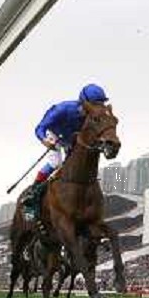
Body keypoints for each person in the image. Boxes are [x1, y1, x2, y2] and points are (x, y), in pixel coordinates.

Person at [21, 84, 109, 219]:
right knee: (55, 162)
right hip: (54, 134)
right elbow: (40, 127)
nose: (98, 108)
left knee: (74, 165)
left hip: (70, 139)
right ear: (84, 102)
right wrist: (44, 140)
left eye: (101, 104)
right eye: (95, 104)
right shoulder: (63, 109)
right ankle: (32, 194)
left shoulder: (94, 118)